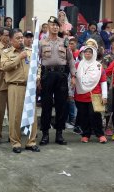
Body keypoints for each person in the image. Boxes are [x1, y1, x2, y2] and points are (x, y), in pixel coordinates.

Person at [38, 16, 76, 146]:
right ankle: (45, 134)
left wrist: (74, 76)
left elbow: (70, 60)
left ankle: (59, 134)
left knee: (61, 106)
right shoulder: (41, 42)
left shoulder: (64, 41)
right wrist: (38, 78)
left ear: (59, 27)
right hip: (47, 76)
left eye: (56, 25)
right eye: (52, 25)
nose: (54, 27)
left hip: (61, 76)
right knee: (46, 106)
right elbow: (37, 62)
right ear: (47, 26)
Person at [2, 29, 40, 153]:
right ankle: (16, 143)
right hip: (15, 86)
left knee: (31, 115)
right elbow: (5, 67)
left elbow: (37, 66)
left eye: (21, 37)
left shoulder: (30, 51)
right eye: (17, 38)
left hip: (29, 87)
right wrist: (19, 57)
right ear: (11, 40)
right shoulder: (6, 52)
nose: (21, 40)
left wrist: (37, 76)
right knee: (15, 115)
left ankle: (31, 142)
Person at [74, 39, 108, 143]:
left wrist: (105, 96)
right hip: (80, 95)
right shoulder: (78, 65)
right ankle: (86, 134)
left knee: (95, 116)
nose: (88, 54)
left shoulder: (98, 66)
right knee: (83, 116)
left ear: (94, 54)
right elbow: (73, 79)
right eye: (86, 52)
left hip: (95, 95)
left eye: (90, 52)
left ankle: (100, 134)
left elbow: (103, 81)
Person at [102, 37, 114, 136]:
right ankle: (108, 127)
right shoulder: (107, 56)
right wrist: (111, 82)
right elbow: (105, 71)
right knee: (109, 106)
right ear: (112, 45)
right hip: (110, 84)